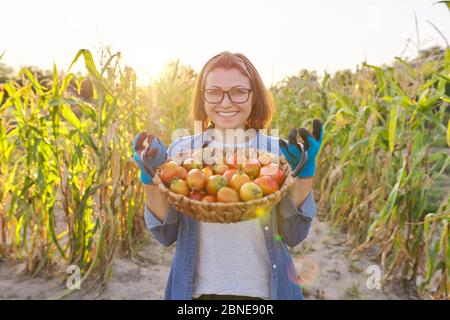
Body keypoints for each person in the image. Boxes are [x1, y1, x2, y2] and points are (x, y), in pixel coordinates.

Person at [132, 51, 324, 300]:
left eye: (238, 91)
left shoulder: (277, 152)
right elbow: (166, 235)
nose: (225, 102)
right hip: (197, 294)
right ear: (202, 98)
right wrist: (150, 176)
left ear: (254, 96)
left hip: (267, 294)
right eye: (214, 92)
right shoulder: (181, 152)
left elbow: (293, 235)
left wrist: (305, 173)